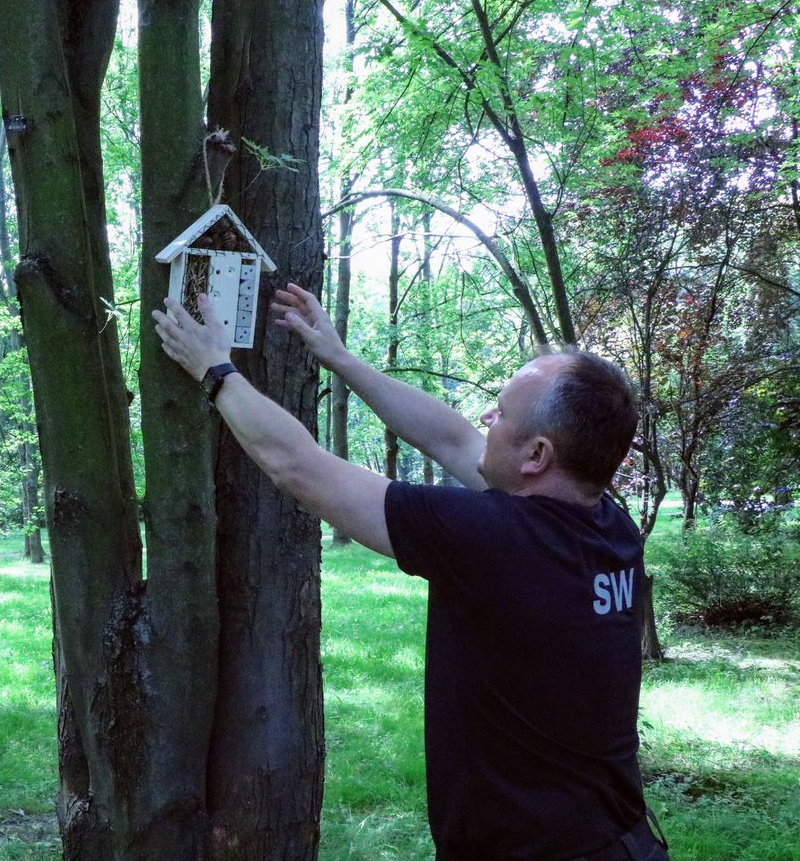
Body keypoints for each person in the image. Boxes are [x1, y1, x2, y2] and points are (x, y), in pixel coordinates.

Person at [151, 284, 671, 861]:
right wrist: (341, 358)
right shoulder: (608, 525)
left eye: (500, 412)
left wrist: (215, 369)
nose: (486, 418)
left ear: (537, 457)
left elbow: (299, 466)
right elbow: (452, 438)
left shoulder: (490, 538)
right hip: (622, 841)